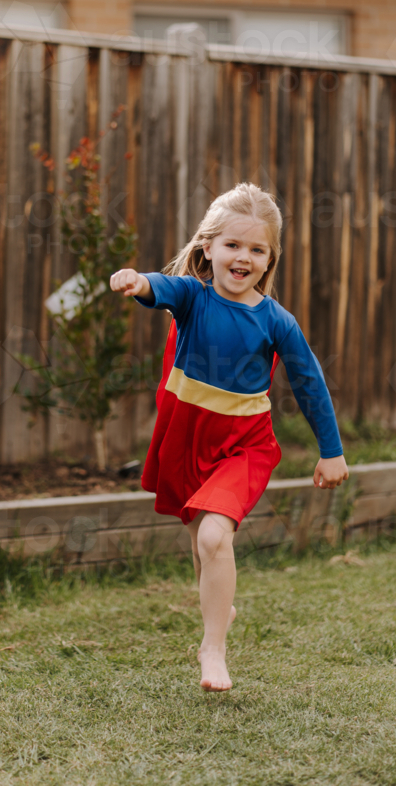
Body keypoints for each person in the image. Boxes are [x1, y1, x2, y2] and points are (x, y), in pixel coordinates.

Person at [109, 181, 348, 692]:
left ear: (269, 259)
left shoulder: (277, 322)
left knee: (216, 537)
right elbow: (160, 289)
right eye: (232, 245)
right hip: (187, 437)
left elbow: (309, 383)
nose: (243, 257)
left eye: (256, 249)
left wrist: (332, 452)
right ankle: (221, 608)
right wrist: (138, 281)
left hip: (243, 445)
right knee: (203, 548)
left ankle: (212, 649)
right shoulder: (192, 297)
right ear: (208, 249)